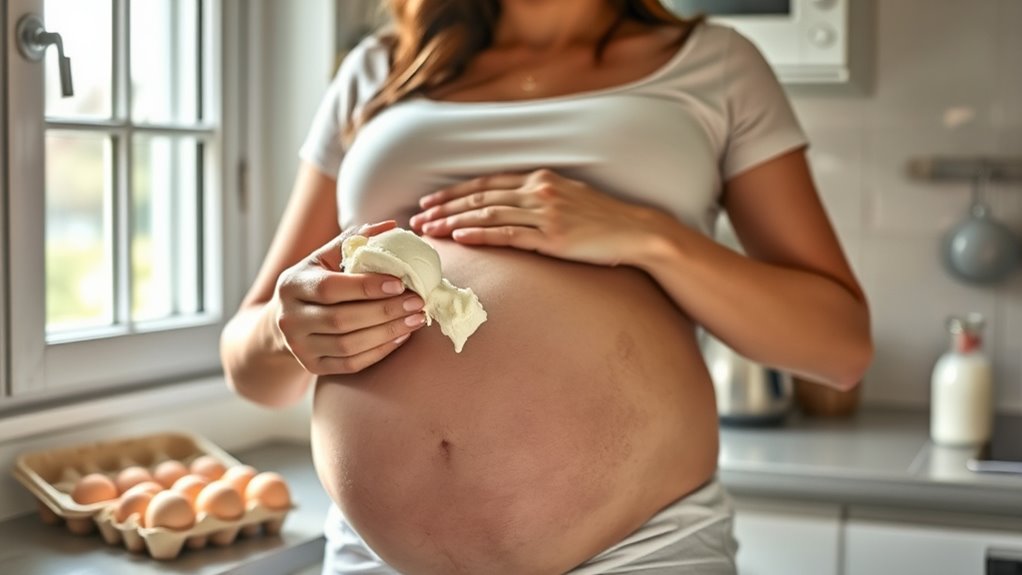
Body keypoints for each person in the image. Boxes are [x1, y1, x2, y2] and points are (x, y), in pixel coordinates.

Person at [220, 0, 873, 573]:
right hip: (375, 556)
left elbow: (840, 348)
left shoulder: (717, 65)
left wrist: (648, 235)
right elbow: (250, 370)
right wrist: (286, 329)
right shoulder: (379, 68)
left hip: (640, 551)